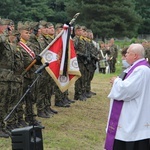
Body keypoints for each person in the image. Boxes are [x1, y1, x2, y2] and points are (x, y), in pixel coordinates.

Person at [105, 43, 150, 150]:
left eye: (128, 53)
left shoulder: (141, 70)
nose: (125, 55)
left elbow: (127, 90)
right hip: (132, 112)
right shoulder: (135, 68)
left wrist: (116, 81)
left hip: (134, 116)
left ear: (135, 55)